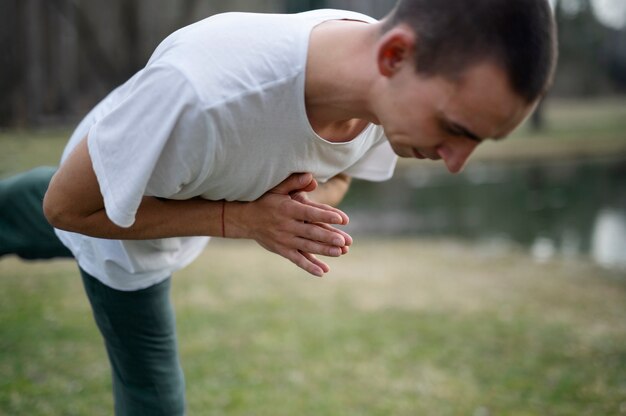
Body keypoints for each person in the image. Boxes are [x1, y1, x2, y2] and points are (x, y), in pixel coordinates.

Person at [0, 0, 557, 414]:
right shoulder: (201, 90)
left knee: (16, 214)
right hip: (115, 223)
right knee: (155, 395)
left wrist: (293, 211)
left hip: (162, 186)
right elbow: (67, 208)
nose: (456, 161)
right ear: (395, 55)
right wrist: (241, 219)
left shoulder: (386, 89)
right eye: (455, 130)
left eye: (478, 140)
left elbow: (335, 175)